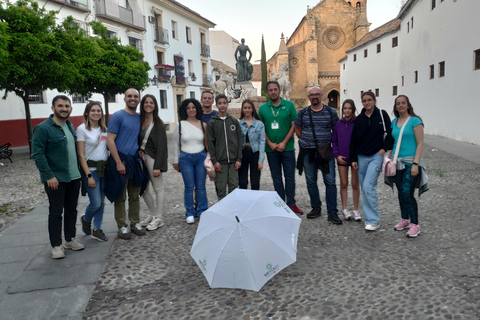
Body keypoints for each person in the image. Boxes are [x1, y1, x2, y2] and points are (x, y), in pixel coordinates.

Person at [32, 95, 84, 259]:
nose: (64, 109)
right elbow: (38, 154)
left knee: (71, 210)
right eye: (60, 106)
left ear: (71, 109)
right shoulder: (43, 128)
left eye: (67, 106)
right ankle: (56, 245)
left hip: (74, 177)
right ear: (53, 108)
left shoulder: (69, 126)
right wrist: (49, 176)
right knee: (55, 212)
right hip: (56, 179)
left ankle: (70, 239)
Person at [294, 87, 341, 224]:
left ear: (321, 96)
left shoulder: (331, 112)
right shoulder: (302, 113)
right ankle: (316, 207)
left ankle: (332, 211)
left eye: (317, 94)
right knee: (311, 181)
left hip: (325, 153)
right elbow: (298, 130)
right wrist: (306, 141)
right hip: (308, 152)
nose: (314, 97)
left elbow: (335, 130)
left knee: (330, 182)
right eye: (312, 95)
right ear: (308, 97)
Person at [106, 88, 147, 239]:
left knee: (135, 195)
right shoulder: (117, 116)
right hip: (121, 159)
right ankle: (122, 226)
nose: (132, 98)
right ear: (124, 99)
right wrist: (118, 162)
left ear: (138, 100)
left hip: (134, 161)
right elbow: (110, 140)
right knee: (120, 196)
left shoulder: (139, 117)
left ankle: (135, 222)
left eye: (135, 96)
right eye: (129, 96)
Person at [385, 95, 429, 237]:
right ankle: (405, 219)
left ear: (408, 105)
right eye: (398, 103)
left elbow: (420, 143)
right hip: (397, 162)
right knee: (400, 192)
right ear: (395, 107)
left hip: (411, 162)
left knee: (407, 192)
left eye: (403, 103)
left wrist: (416, 163)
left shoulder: (416, 121)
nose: (401, 105)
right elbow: (392, 141)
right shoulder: (394, 122)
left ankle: (415, 224)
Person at [350, 91, 394, 231]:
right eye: (364, 100)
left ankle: (373, 220)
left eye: (369, 100)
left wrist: (383, 150)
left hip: (376, 156)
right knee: (365, 189)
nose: (367, 102)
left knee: (369, 187)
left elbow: (391, 134)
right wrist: (353, 158)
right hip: (361, 157)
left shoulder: (382, 114)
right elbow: (354, 140)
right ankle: (369, 218)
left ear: (375, 100)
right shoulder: (359, 119)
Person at [259, 81, 303, 214]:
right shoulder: (263, 108)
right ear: (267, 92)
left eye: (275, 89)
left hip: (288, 148)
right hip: (271, 149)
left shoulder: (289, 105)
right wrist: (270, 143)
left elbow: (293, 125)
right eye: (270, 90)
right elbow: (261, 128)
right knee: (276, 177)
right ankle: (280, 203)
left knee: (290, 177)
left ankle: (291, 203)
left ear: (279, 90)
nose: (273, 92)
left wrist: (284, 142)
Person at [77, 101, 109, 241]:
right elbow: (81, 155)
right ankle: (86, 219)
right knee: (95, 202)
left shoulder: (104, 129)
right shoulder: (82, 129)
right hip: (92, 171)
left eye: (98, 111)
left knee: (101, 202)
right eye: (93, 111)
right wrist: (88, 175)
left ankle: (97, 228)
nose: (96, 113)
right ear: (87, 113)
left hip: (104, 170)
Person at [172, 99, 208, 223]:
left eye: (193, 107)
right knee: (189, 186)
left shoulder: (203, 125)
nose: (191, 110)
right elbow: (176, 144)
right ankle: (189, 212)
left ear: (197, 109)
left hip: (200, 157)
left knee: (201, 186)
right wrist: (176, 161)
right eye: (188, 108)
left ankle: (202, 210)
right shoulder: (180, 125)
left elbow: (207, 144)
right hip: (185, 158)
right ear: (184, 110)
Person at [138, 95, 168, 231]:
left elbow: (162, 147)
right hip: (141, 158)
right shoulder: (139, 121)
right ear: (142, 104)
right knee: (143, 188)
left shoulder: (158, 124)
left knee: (158, 188)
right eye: (146, 102)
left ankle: (159, 217)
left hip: (153, 158)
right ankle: (152, 214)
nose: (148, 105)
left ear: (155, 105)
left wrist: (158, 166)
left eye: (151, 102)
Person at [207, 94, 242, 200]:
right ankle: (222, 210)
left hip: (233, 161)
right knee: (221, 188)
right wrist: (214, 161)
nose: (222, 106)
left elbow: (239, 141)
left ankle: (232, 210)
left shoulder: (234, 122)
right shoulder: (212, 123)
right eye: (220, 103)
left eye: (224, 103)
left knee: (234, 186)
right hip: (220, 162)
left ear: (227, 104)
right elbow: (210, 143)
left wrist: (239, 159)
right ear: (216, 105)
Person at [332, 99, 361, 221]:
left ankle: (355, 209)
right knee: (343, 184)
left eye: (349, 108)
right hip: (342, 158)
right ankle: (344, 209)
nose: (347, 110)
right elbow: (334, 141)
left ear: (353, 109)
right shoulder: (338, 125)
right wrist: (337, 155)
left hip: (355, 158)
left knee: (355, 184)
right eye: (345, 108)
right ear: (342, 110)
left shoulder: (358, 123)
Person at [238, 99, 265, 190]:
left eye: (249, 108)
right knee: (242, 181)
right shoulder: (238, 123)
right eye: (245, 108)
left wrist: (261, 160)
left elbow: (262, 142)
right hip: (242, 152)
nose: (247, 110)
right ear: (242, 109)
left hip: (254, 152)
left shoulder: (259, 124)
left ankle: (254, 201)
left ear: (253, 109)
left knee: (255, 181)